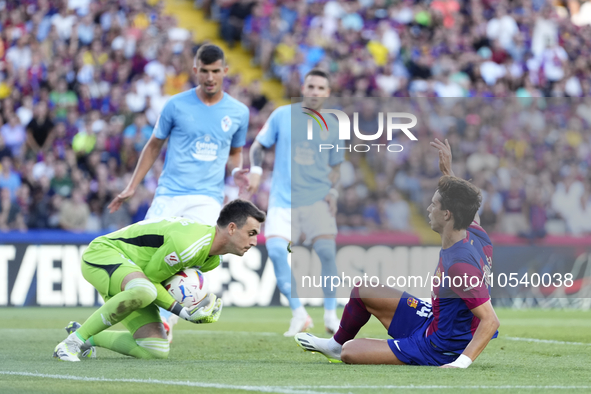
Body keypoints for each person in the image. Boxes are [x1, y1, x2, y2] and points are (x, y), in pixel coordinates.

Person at [294, 139, 499, 368]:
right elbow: (467, 205)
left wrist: (459, 363)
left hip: (440, 349)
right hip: (433, 322)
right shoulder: (473, 230)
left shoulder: (460, 263)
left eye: (434, 205)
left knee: (350, 352)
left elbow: (490, 320)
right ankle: (335, 343)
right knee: (363, 290)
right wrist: (448, 173)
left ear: (447, 215)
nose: (429, 209)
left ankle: (399, 348)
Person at [107, 44, 251, 341]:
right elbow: (154, 145)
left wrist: (237, 173)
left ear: (224, 71)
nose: (210, 77)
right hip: (170, 193)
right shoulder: (175, 105)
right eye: (204, 71)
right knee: (143, 258)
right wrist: (132, 186)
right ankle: (130, 314)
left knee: (194, 259)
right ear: (195, 69)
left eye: (215, 71)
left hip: (207, 198)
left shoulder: (239, 113)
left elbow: (235, 153)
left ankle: (164, 320)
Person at [53, 200, 265, 362]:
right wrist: (184, 312)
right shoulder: (188, 244)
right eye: (251, 233)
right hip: (103, 254)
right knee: (145, 290)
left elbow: (164, 282)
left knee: (155, 349)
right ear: (231, 228)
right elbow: (152, 282)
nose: (255, 241)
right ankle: (71, 344)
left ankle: (87, 338)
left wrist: (199, 303)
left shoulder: (211, 261)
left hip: (135, 277)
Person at [248, 69, 343, 336]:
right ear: (303, 88)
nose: (314, 92)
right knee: (277, 251)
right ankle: (298, 313)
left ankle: (330, 315)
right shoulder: (282, 115)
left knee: (326, 253)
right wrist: (255, 172)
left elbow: (336, 168)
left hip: (316, 201)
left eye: (320, 88)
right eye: (310, 86)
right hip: (283, 199)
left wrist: (333, 192)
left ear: (327, 93)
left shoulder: (334, 126)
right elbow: (258, 145)